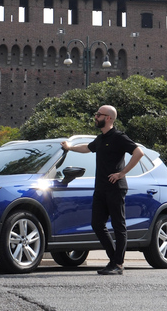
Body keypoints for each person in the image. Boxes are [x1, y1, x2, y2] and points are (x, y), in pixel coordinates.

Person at [61, 105, 144, 275]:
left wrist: (122, 173)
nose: (95, 117)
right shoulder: (100, 138)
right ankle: (114, 260)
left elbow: (138, 153)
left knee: (118, 225)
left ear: (108, 118)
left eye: (98, 114)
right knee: (97, 224)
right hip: (100, 188)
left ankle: (118, 264)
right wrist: (69, 147)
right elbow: (87, 148)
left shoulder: (119, 137)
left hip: (115, 188)